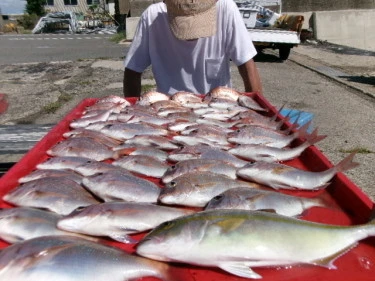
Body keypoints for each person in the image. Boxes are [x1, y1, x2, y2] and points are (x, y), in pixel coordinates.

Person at [123, 0, 263, 98]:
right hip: (170, 108)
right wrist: (135, 113)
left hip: (217, 106)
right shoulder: (152, 17)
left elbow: (247, 66)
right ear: (165, 4)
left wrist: (256, 114)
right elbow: (132, 70)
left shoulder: (227, 10)